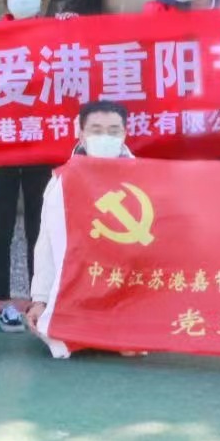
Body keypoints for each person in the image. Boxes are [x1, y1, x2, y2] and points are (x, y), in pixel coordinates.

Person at [0, 0, 64, 332]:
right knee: (0, 226)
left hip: (41, 146)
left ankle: (37, 300)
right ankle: (3, 303)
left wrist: (73, 28)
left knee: (38, 228)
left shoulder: (55, 35)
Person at [26, 100, 135, 359]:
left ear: (125, 133)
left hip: (126, 287)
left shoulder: (143, 178)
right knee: (52, 331)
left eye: (113, 131)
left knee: (135, 340)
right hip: (78, 285)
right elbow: (46, 244)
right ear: (81, 133)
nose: (105, 136)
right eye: (96, 130)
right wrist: (40, 299)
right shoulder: (62, 182)